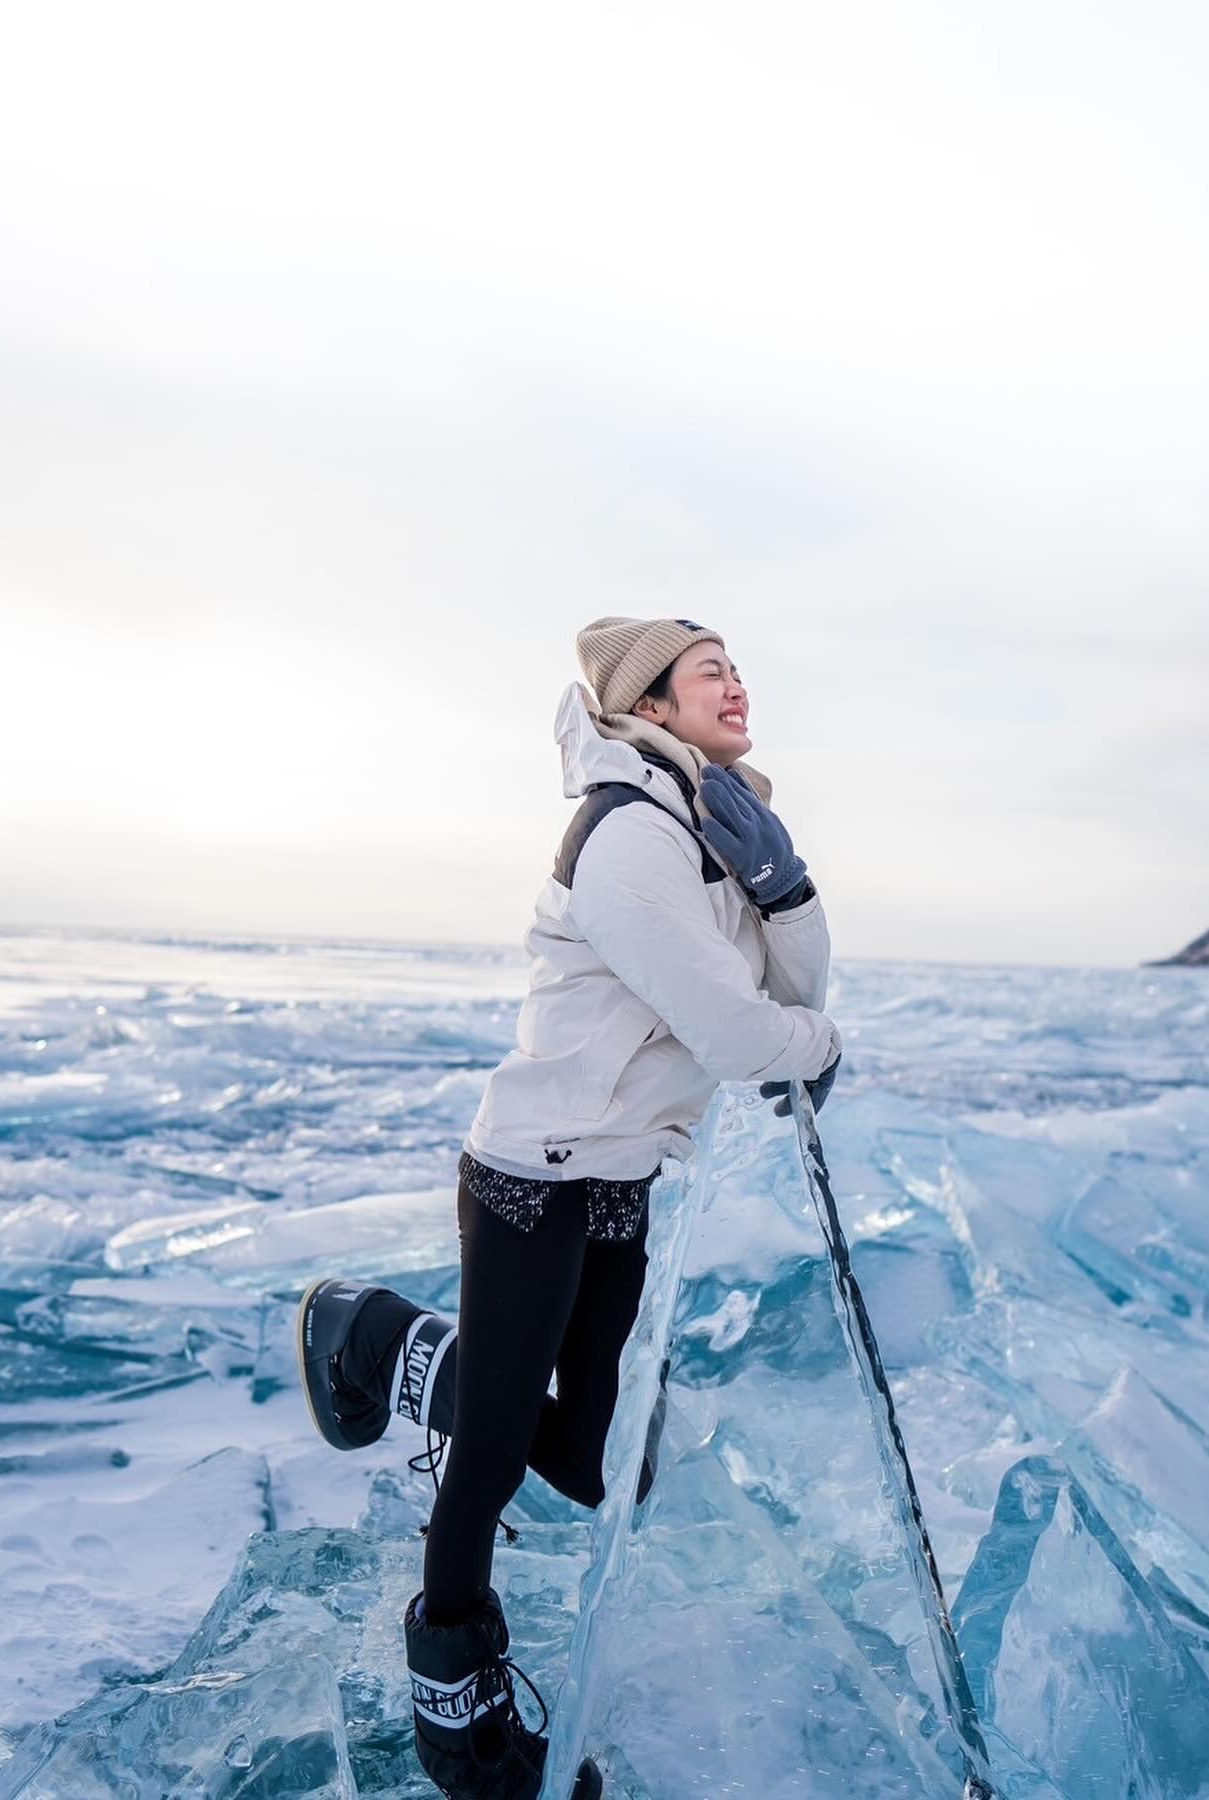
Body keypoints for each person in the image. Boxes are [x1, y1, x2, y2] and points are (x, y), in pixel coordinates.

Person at [296, 616, 842, 1799]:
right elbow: (750, 1034)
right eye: (713, 672)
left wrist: (783, 886)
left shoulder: (715, 835)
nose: (738, 685)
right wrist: (818, 1043)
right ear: (650, 706)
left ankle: (388, 1341)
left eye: (739, 668)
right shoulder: (630, 840)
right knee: (488, 1462)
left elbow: (791, 987)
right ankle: (458, 1704)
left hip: (615, 1174)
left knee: (598, 1464)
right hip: (535, 1173)